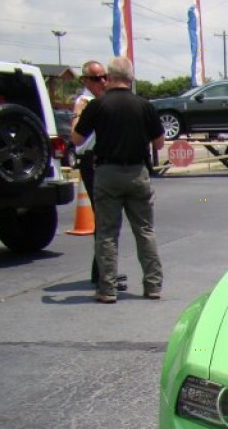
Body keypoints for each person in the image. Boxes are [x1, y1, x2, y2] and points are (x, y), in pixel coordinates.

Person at [71, 56, 165, 304]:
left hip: (107, 173)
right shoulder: (145, 106)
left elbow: (77, 139)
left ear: (109, 78)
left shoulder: (98, 105)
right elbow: (159, 143)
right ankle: (153, 285)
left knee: (107, 233)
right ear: (131, 78)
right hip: (137, 172)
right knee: (145, 230)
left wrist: (77, 117)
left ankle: (108, 288)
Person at [72, 60, 115, 286]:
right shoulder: (85, 102)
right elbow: (77, 138)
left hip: (102, 160)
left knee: (105, 218)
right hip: (91, 161)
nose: (102, 82)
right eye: (96, 78)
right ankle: (102, 273)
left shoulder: (99, 102)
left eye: (104, 77)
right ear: (86, 80)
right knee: (104, 217)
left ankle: (101, 269)